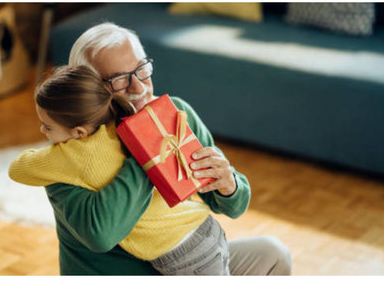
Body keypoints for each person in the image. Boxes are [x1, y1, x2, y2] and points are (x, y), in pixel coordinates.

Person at [41, 22, 292, 275]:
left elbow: (233, 206)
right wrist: (145, 146)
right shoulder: (66, 154)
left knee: (273, 254)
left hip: (184, 264)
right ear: (88, 90)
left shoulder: (176, 115)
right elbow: (100, 236)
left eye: (142, 70)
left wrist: (229, 186)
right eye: (119, 80)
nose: (139, 87)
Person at [8, 65, 231, 275]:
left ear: (79, 132)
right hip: (205, 229)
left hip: (186, 257)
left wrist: (54, 150)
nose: (41, 130)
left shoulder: (71, 155)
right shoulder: (126, 125)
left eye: (47, 126)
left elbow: (17, 169)